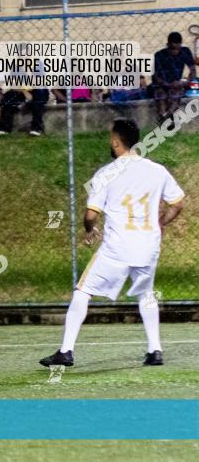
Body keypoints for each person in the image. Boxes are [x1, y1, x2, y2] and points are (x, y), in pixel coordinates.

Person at [40, 119, 184, 369]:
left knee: (83, 290)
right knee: (146, 293)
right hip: (148, 246)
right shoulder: (157, 170)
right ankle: (155, 350)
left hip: (117, 247)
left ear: (116, 141)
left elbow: (91, 215)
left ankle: (66, 351)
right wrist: (160, 223)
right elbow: (178, 203)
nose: (110, 141)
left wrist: (89, 230)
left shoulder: (106, 173)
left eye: (111, 138)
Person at [151, 32, 195, 122]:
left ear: (180, 45)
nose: (174, 52)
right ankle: (163, 116)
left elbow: (193, 71)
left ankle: (169, 116)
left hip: (176, 84)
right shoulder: (159, 55)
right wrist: (166, 84)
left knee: (175, 94)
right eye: (172, 49)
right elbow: (154, 76)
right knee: (161, 95)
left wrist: (185, 82)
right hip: (162, 84)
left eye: (177, 49)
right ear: (167, 45)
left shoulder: (185, 52)